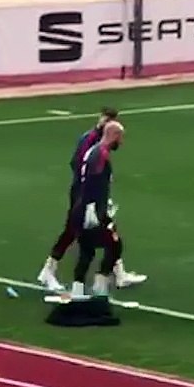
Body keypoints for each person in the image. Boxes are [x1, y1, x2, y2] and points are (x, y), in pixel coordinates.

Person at [37, 108, 144, 292]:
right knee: (76, 232)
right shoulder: (91, 141)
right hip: (84, 195)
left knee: (106, 233)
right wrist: (90, 200)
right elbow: (79, 165)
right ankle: (50, 270)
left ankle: (116, 275)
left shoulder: (98, 143)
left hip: (91, 196)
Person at [69, 121, 126, 297]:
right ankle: (100, 284)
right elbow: (92, 183)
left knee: (87, 250)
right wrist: (95, 209)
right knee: (115, 244)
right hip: (91, 210)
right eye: (120, 137)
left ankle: (78, 290)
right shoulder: (100, 154)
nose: (121, 142)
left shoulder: (94, 152)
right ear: (114, 135)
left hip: (84, 207)